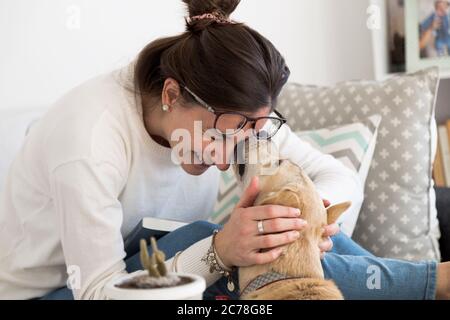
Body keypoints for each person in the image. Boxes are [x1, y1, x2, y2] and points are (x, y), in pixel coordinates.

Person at [0, 0, 449, 300]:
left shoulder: (235, 122)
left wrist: (308, 220)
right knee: (209, 235)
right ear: (172, 95)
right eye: (232, 131)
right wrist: (219, 250)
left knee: (272, 233)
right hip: (60, 292)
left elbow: (336, 175)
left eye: (255, 130)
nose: (240, 146)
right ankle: (432, 283)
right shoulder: (91, 140)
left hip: (152, 264)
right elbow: (98, 291)